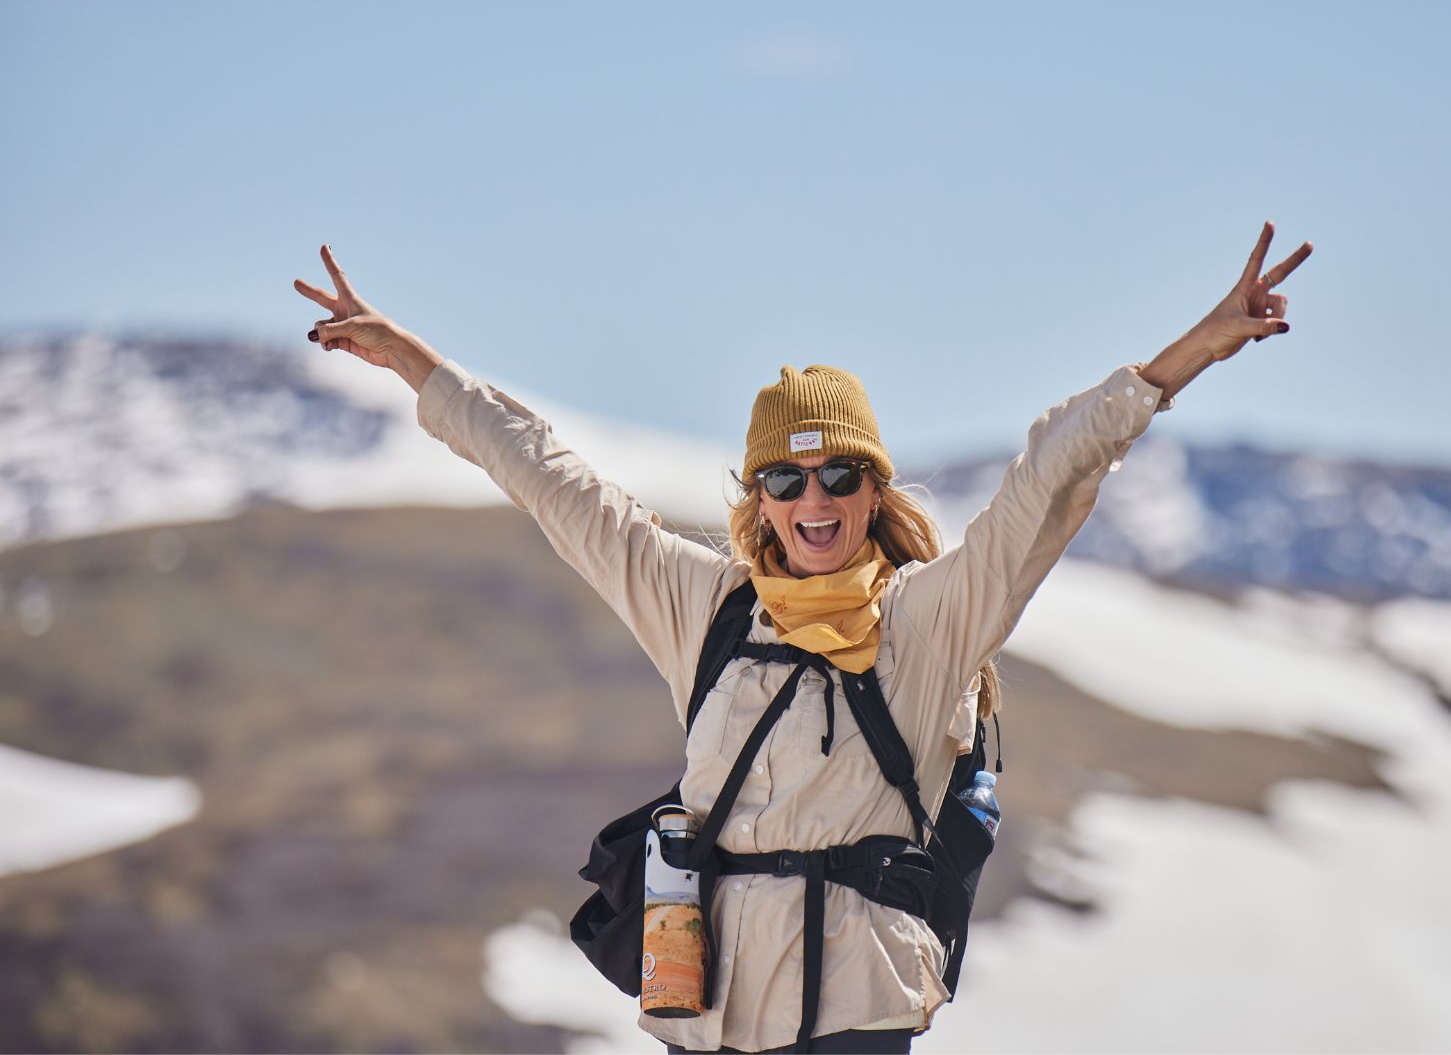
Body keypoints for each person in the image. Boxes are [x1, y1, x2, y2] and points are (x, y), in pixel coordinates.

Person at [293, 222, 1312, 1054]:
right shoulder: (705, 606)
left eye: (837, 476)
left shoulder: (926, 621)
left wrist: (1181, 358)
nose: (812, 499)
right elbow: (552, 480)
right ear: (759, 499)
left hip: (858, 1011)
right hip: (710, 1006)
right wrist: (411, 363)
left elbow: (1048, 481)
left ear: (875, 489)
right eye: (784, 478)